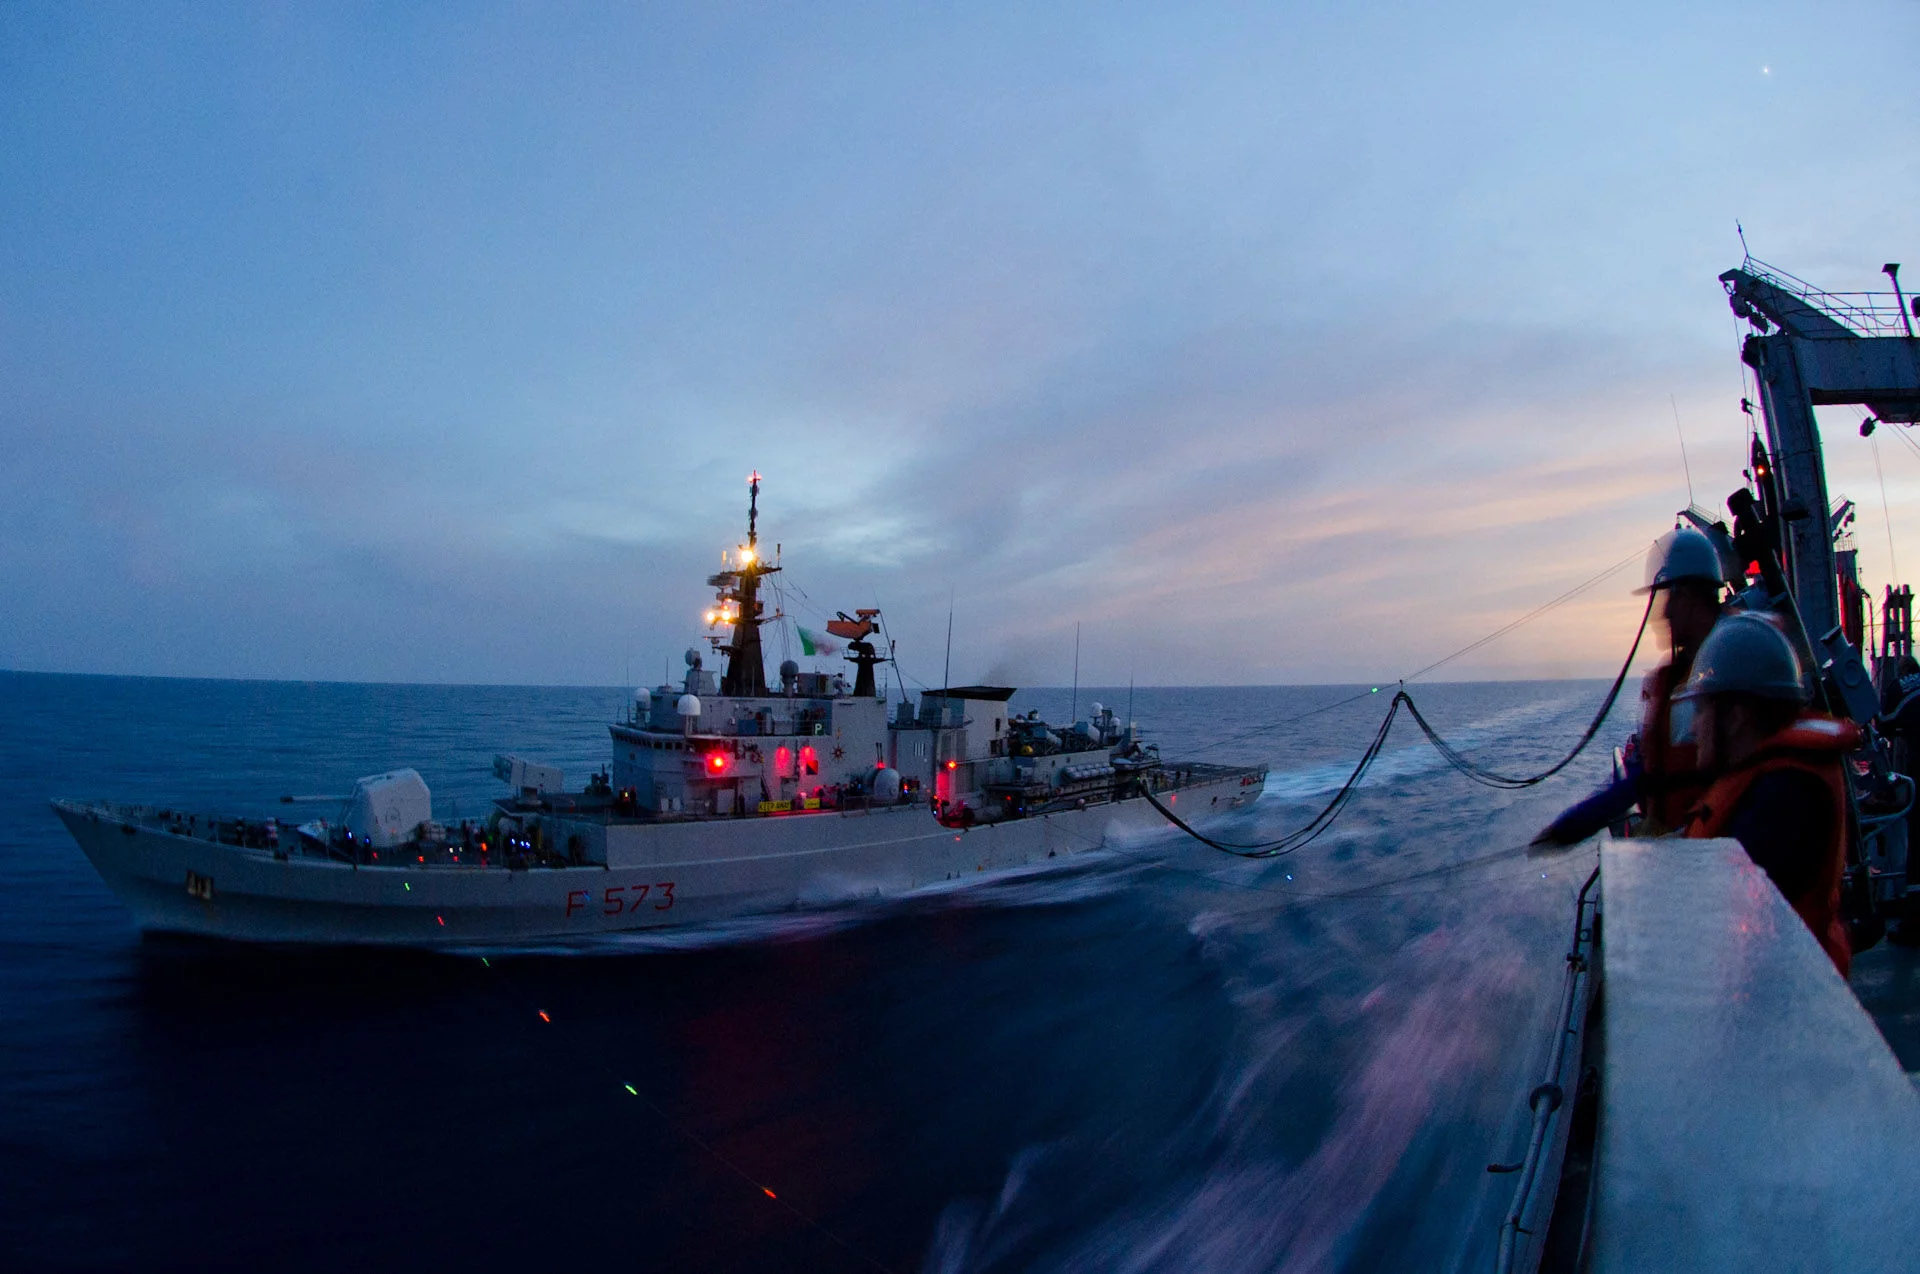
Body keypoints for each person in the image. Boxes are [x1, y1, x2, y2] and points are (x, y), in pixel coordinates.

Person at [1678, 612, 1857, 975]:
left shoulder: (1783, 801)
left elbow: (1724, 919)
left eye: (1700, 710)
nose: (1694, 727)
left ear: (1737, 716)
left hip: (1784, 998)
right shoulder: (1769, 782)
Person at [1531, 526, 1732, 847]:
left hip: (1712, 868)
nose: (1663, 612)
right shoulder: (1678, 681)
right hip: (1681, 858)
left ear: (1691, 597)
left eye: (1669, 598)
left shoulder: (1734, 672)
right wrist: (1568, 829)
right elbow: (1643, 776)